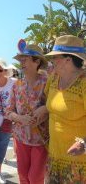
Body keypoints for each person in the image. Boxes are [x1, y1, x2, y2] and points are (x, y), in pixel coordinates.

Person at [44, 35, 86, 183]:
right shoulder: (54, 78)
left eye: (56, 57)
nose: (52, 61)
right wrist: (40, 111)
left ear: (68, 59)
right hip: (54, 159)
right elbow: (51, 105)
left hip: (79, 165)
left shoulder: (84, 83)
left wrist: (84, 144)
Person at [5, 44, 48, 184]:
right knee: (23, 176)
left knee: (35, 178)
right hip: (20, 137)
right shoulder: (16, 85)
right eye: (20, 60)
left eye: (25, 60)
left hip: (41, 140)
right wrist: (20, 118)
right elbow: (7, 111)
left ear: (37, 62)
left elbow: (54, 105)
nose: (21, 63)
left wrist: (44, 110)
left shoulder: (47, 83)